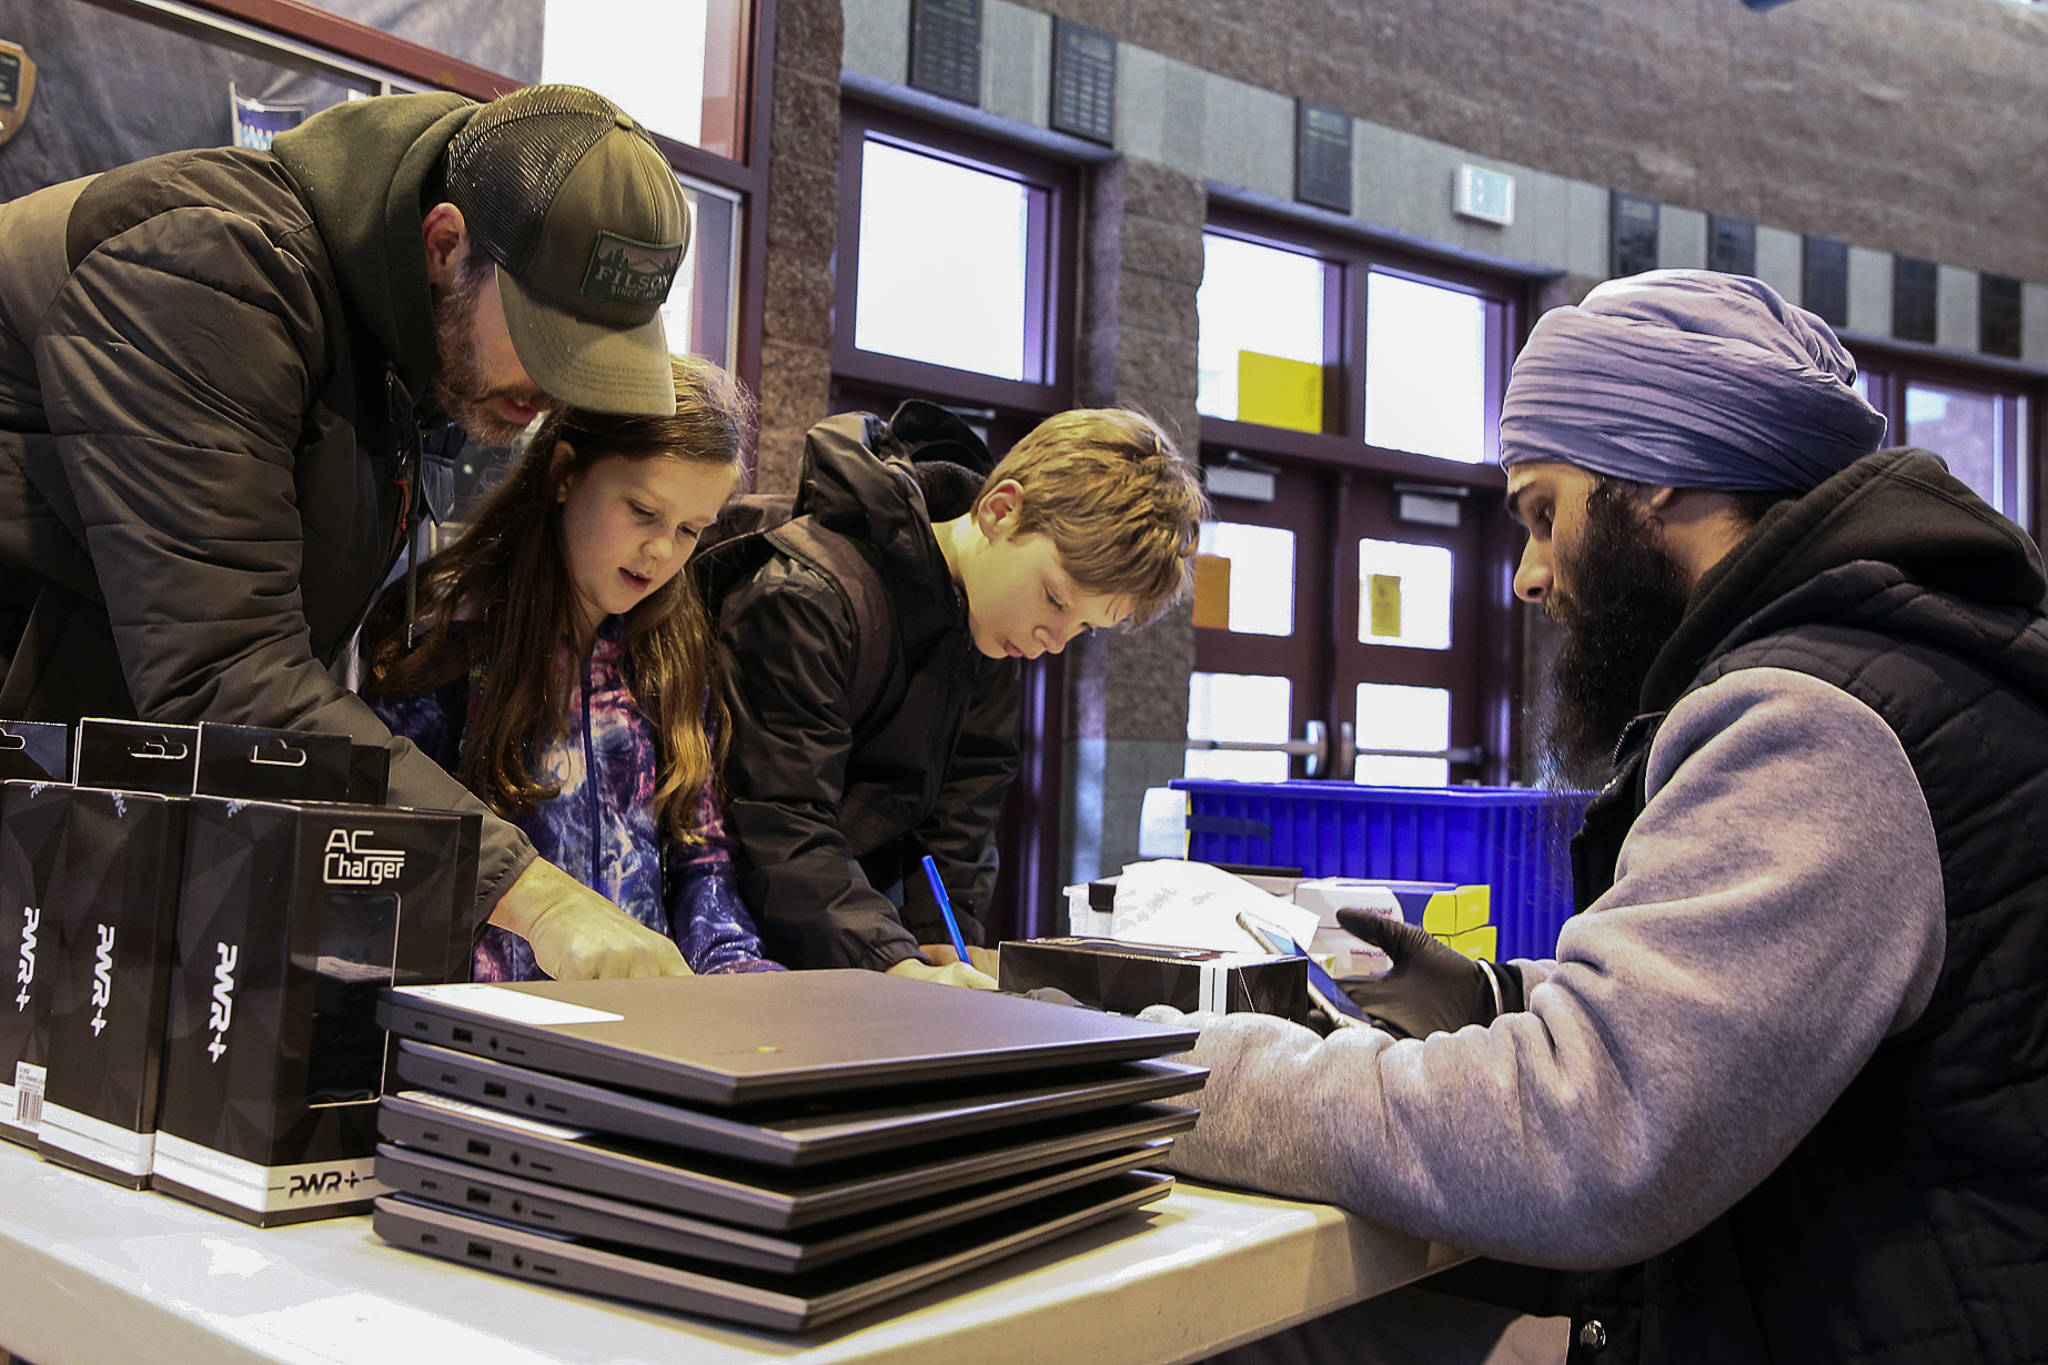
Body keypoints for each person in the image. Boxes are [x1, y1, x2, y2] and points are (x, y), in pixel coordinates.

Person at [1146, 270, 2048, 1362]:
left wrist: (1179, 1073)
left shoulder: (1811, 722)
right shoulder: (1895, 668)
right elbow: (1773, 1022)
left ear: (1655, 475)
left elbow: (1586, 1137)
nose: (1526, 576)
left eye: (1541, 512)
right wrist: (1494, 996)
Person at [0, 84, 699, 979]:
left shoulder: (396, 351)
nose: (556, 390)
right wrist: (541, 895)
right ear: (444, 245)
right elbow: (224, 673)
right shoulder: (205, 269)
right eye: (546, 338)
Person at [698, 403, 1208, 990]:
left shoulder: (990, 629)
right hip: (728, 942)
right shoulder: (808, 597)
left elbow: (962, 815)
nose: (1056, 640)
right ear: (1000, 510)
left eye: (1087, 627)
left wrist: (942, 937)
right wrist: (894, 961)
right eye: (1056, 600)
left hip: (837, 942)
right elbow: (780, 820)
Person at [360, 354, 781, 980]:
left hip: (642, 1025)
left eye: (692, 529)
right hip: (483, 1032)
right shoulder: (449, 632)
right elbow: (382, 839)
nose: (662, 550)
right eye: (642, 510)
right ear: (564, 473)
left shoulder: (674, 653)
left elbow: (701, 864)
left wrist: (737, 978)